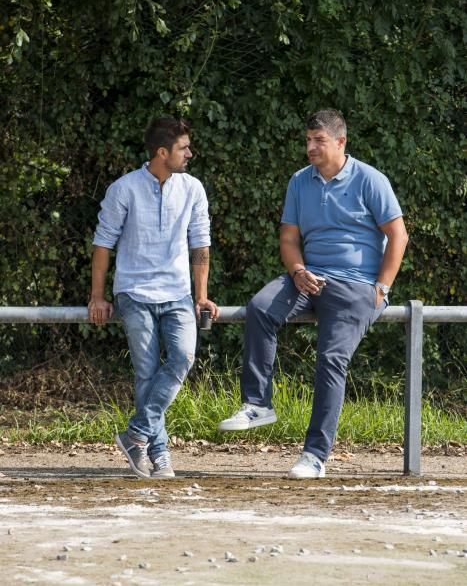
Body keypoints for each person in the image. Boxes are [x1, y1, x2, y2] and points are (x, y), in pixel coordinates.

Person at [218, 109, 408, 478]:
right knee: (259, 307)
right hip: (308, 276)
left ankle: (315, 456)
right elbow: (289, 239)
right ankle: (258, 403)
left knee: (331, 359)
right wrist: (298, 270)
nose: (310, 147)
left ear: (341, 142)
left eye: (318, 141)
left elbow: (397, 235)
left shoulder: (370, 180)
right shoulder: (299, 182)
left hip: (357, 284)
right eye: (307, 140)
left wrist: (381, 287)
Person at [88, 116, 218, 479]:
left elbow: (201, 245)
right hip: (134, 292)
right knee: (146, 373)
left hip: (177, 293)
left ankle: (136, 434)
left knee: (183, 357)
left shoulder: (192, 188)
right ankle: (158, 454)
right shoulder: (124, 188)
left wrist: (202, 295)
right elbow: (103, 244)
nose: (190, 153)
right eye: (183, 148)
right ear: (162, 152)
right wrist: (97, 297)